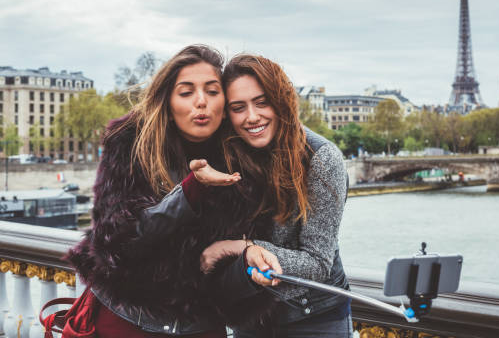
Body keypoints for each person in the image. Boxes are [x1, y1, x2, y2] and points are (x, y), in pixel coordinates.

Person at [65, 45, 280, 337]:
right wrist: (192, 189)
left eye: (213, 91)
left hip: (199, 329)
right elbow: (118, 245)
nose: (201, 102)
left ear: (225, 106)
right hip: (127, 322)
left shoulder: (246, 165)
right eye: (186, 92)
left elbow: (225, 293)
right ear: (167, 103)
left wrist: (245, 259)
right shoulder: (131, 146)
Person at [200, 54, 352, 337]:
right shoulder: (224, 156)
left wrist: (239, 248)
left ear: (281, 101)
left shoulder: (321, 158)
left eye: (262, 102)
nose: (252, 117)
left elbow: (318, 263)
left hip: (314, 319)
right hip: (250, 316)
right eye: (238, 107)